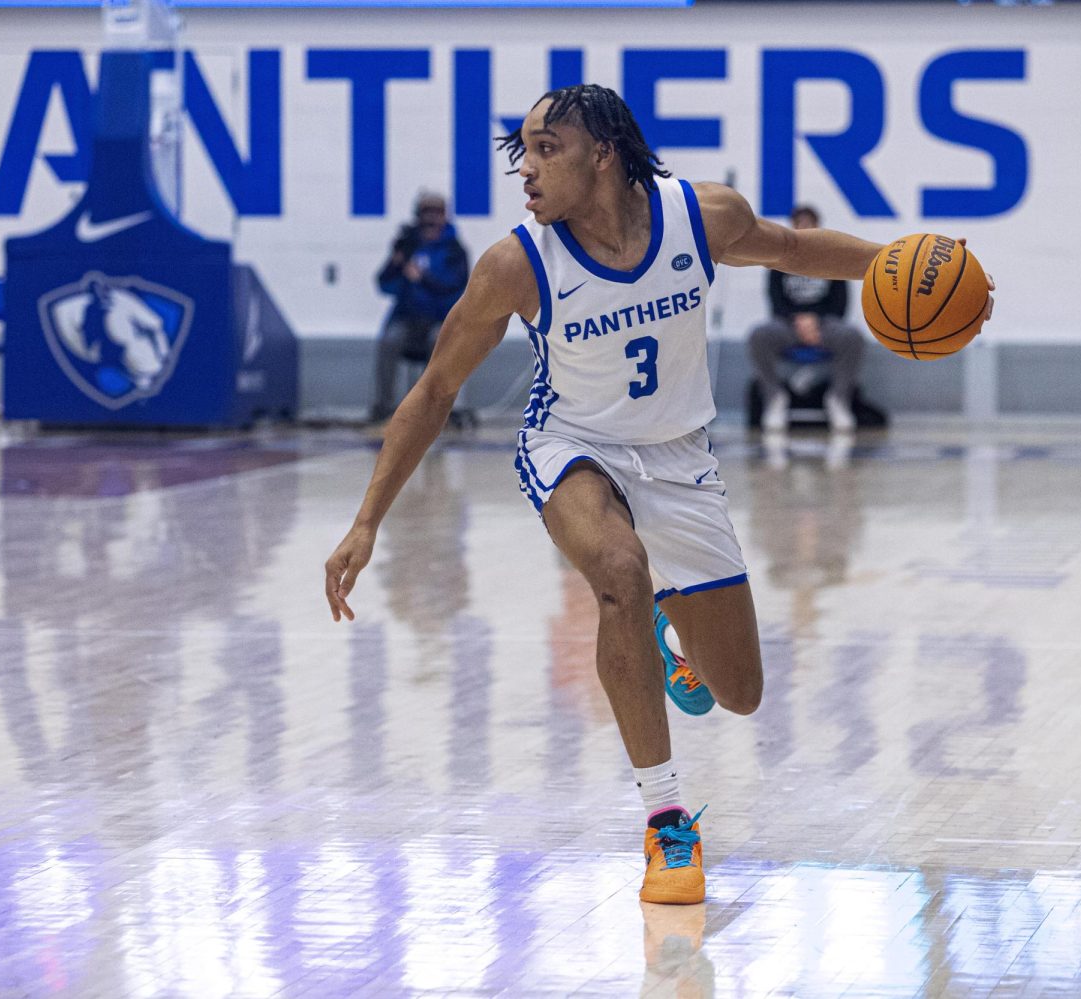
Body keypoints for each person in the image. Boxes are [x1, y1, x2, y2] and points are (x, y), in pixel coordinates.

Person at [325, 84, 994, 905]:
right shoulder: (516, 262)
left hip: (679, 460)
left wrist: (907, 261)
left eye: (547, 150)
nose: (526, 172)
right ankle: (668, 821)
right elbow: (433, 391)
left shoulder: (699, 216)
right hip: (572, 446)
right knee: (618, 567)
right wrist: (366, 522)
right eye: (522, 153)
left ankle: (670, 639)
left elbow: (789, 248)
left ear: (603, 152)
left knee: (739, 692)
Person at [748, 205, 867, 434]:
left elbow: (840, 304)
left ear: (817, 228)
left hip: (824, 325)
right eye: (799, 224)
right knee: (759, 335)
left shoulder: (832, 259)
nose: (804, 229)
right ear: (792, 227)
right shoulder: (778, 260)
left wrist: (814, 321)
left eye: (808, 224)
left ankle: (838, 399)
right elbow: (776, 302)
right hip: (788, 325)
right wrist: (799, 321)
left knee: (852, 337)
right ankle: (774, 398)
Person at [371, 193, 469, 421]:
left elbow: (456, 287)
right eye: (426, 213)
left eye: (436, 213)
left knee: (444, 344)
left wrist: (423, 279)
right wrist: (396, 264)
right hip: (407, 319)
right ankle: (384, 405)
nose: (431, 219)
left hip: (438, 319)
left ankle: (444, 408)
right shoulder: (408, 245)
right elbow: (384, 284)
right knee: (389, 340)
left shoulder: (454, 249)